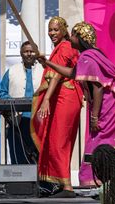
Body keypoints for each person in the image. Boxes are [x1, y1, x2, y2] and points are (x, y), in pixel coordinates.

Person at [39, 22, 115, 187]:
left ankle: (96, 178)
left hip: (107, 103)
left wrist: (94, 116)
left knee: (99, 137)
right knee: (101, 138)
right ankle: (106, 177)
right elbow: (72, 73)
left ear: (80, 38)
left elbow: (98, 86)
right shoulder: (89, 55)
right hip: (107, 101)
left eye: (73, 35)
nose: (70, 38)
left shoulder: (88, 56)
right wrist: (48, 63)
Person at [31, 16, 83, 198]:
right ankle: (63, 183)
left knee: (59, 141)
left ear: (63, 30)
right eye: (50, 30)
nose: (52, 33)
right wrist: (45, 62)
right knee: (59, 140)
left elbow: (57, 76)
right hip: (66, 97)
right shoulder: (62, 48)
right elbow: (55, 70)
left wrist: (46, 99)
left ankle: (67, 186)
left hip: (64, 97)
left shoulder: (65, 47)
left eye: (55, 30)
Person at [0, 41, 43, 164]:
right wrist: (14, 103)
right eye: (26, 51)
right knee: (18, 152)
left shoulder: (44, 71)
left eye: (32, 51)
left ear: (37, 53)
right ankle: (20, 182)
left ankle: (40, 182)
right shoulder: (11, 71)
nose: (29, 54)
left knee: (40, 153)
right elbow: (2, 92)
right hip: (17, 120)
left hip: (40, 121)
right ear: (21, 54)